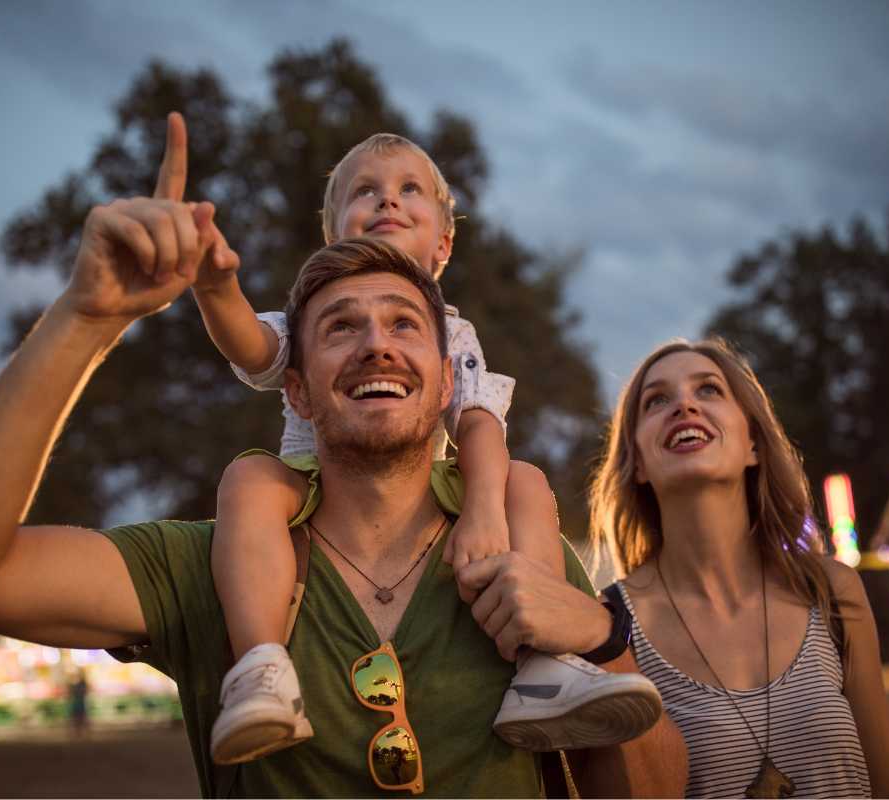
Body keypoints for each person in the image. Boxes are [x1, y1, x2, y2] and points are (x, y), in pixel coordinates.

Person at [0, 119, 686, 797]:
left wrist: (601, 638)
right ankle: (262, 671)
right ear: (294, 389)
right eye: (340, 325)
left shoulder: (519, 549)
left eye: (406, 324)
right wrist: (88, 317)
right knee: (250, 477)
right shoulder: (213, 565)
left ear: (448, 380)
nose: (376, 342)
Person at [189, 119, 659, 763]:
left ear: (443, 242)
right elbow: (251, 344)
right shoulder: (309, 315)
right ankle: (262, 671)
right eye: (364, 191)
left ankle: (544, 665)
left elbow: (479, 422)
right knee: (248, 480)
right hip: (309, 483)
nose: (387, 199)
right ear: (333, 238)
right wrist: (215, 287)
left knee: (521, 479)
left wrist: (485, 509)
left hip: (418, 490)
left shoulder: (454, 334)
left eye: (410, 188)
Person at [588, 337, 889, 798]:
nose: (684, 405)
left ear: (753, 444)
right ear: (638, 462)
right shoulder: (611, 627)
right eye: (657, 400)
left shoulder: (831, 590)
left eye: (708, 390)